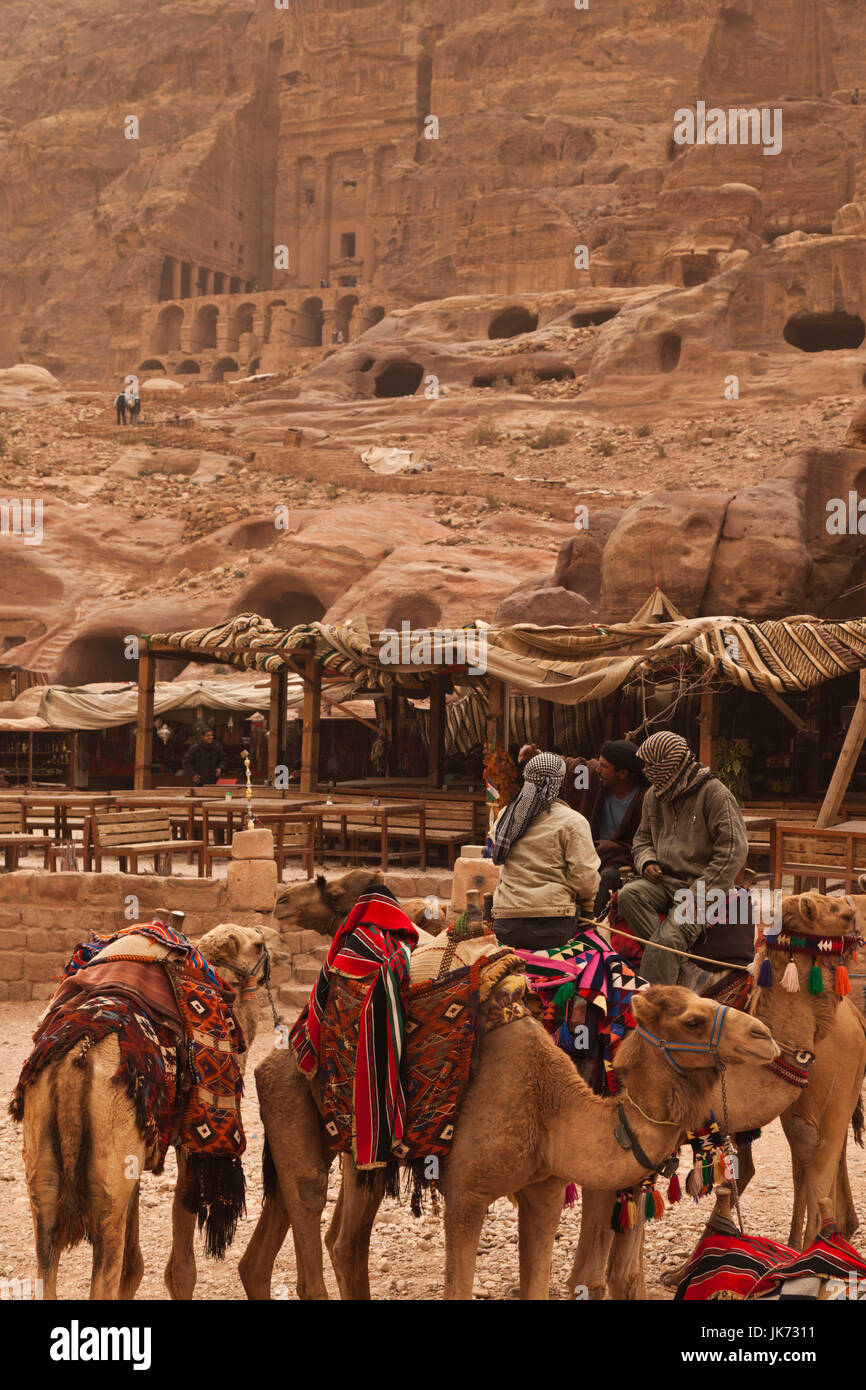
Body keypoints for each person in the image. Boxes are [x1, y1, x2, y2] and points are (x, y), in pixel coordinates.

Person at [616, 731, 748, 986]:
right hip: (664, 881)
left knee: (667, 941)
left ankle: (657, 1007)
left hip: (703, 888)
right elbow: (641, 840)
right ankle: (679, 961)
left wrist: (701, 891)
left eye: (650, 765)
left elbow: (733, 850)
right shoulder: (654, 796)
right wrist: (647, 861)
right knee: (628, 895)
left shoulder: (714, 794)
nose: (645, 771)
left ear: (668, 765)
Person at [490, 751, 599, 952]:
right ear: (560, 782)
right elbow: (585, 878)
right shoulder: (573, 821)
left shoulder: (506, 815)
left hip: (505, 925)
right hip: (551, 926)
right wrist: (588, 907)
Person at [571, 740, 647, 917]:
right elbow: (569, 765)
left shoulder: (644, 800)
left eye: (604, 766)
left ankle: (591, 928)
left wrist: (614, 848)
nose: (597, 769)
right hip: (592, 854)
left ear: (622, 773)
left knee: (608, 877)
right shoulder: (597, 787)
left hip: (622, 861)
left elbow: (643, 843)